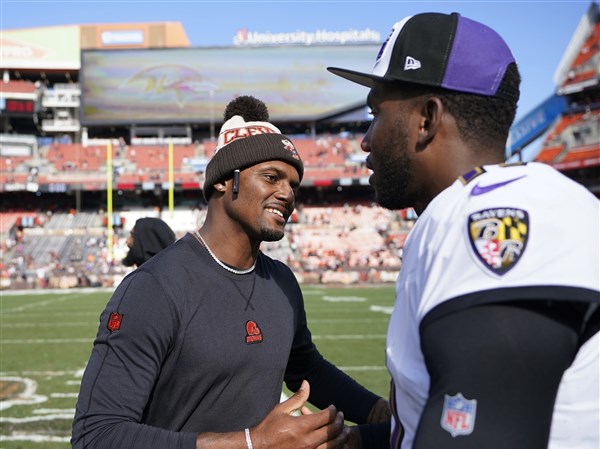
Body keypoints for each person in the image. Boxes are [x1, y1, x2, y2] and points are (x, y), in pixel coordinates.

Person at [328, 11, 599, 449]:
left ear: (426, 120)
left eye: (375, 112)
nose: (365, 139)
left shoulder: (496, 214)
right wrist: (361, 442)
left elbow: (480, 433)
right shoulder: (460, 211)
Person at [71, 95, 390, 449]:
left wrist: (377, 412)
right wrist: (251, 443)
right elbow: (95, 435)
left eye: (293, 185)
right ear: (224, 180)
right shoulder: (153, 287)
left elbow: (305, 367)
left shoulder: (281, 280)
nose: (287, 194)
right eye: (272, 177)